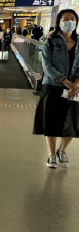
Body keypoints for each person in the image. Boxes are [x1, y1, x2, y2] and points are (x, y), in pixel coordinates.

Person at [33, 9, 79, 168]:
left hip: (75, 88)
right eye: (66, 19)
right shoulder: (51, 41)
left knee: (73, 122)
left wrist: (76, 83)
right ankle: (51, 155)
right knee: (51, 120)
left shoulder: (79, 42)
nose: (69, 22)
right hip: (53, 85)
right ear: (59, 22)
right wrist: (66, 82)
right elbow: (47, 66)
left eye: (72, 18)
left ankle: (62, 150)